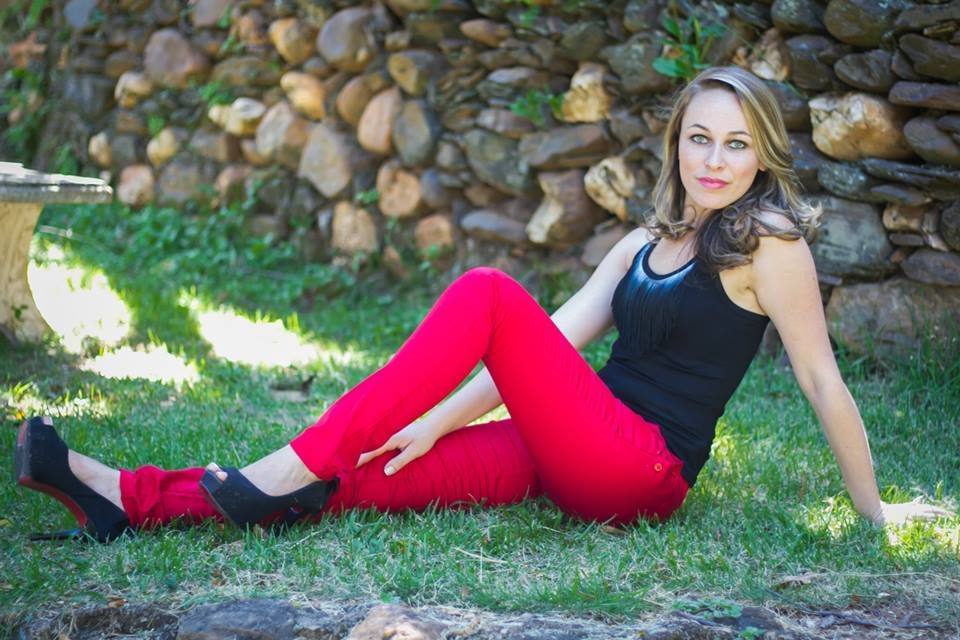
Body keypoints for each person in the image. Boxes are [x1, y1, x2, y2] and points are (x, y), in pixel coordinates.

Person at [14, 66, 953, 542]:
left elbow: (822, 382)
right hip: (569, 447)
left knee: (489, 292)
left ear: (762, 155)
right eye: (698, 138)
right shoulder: (639, 243)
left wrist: (874, 517)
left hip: (640, 472)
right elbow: (548, 351)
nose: (713, 160)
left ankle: (287, 461)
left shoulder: (769, 243)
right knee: (371, 471)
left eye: (736, 144)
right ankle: (124, 498)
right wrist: (434, 424)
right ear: (676, 144)